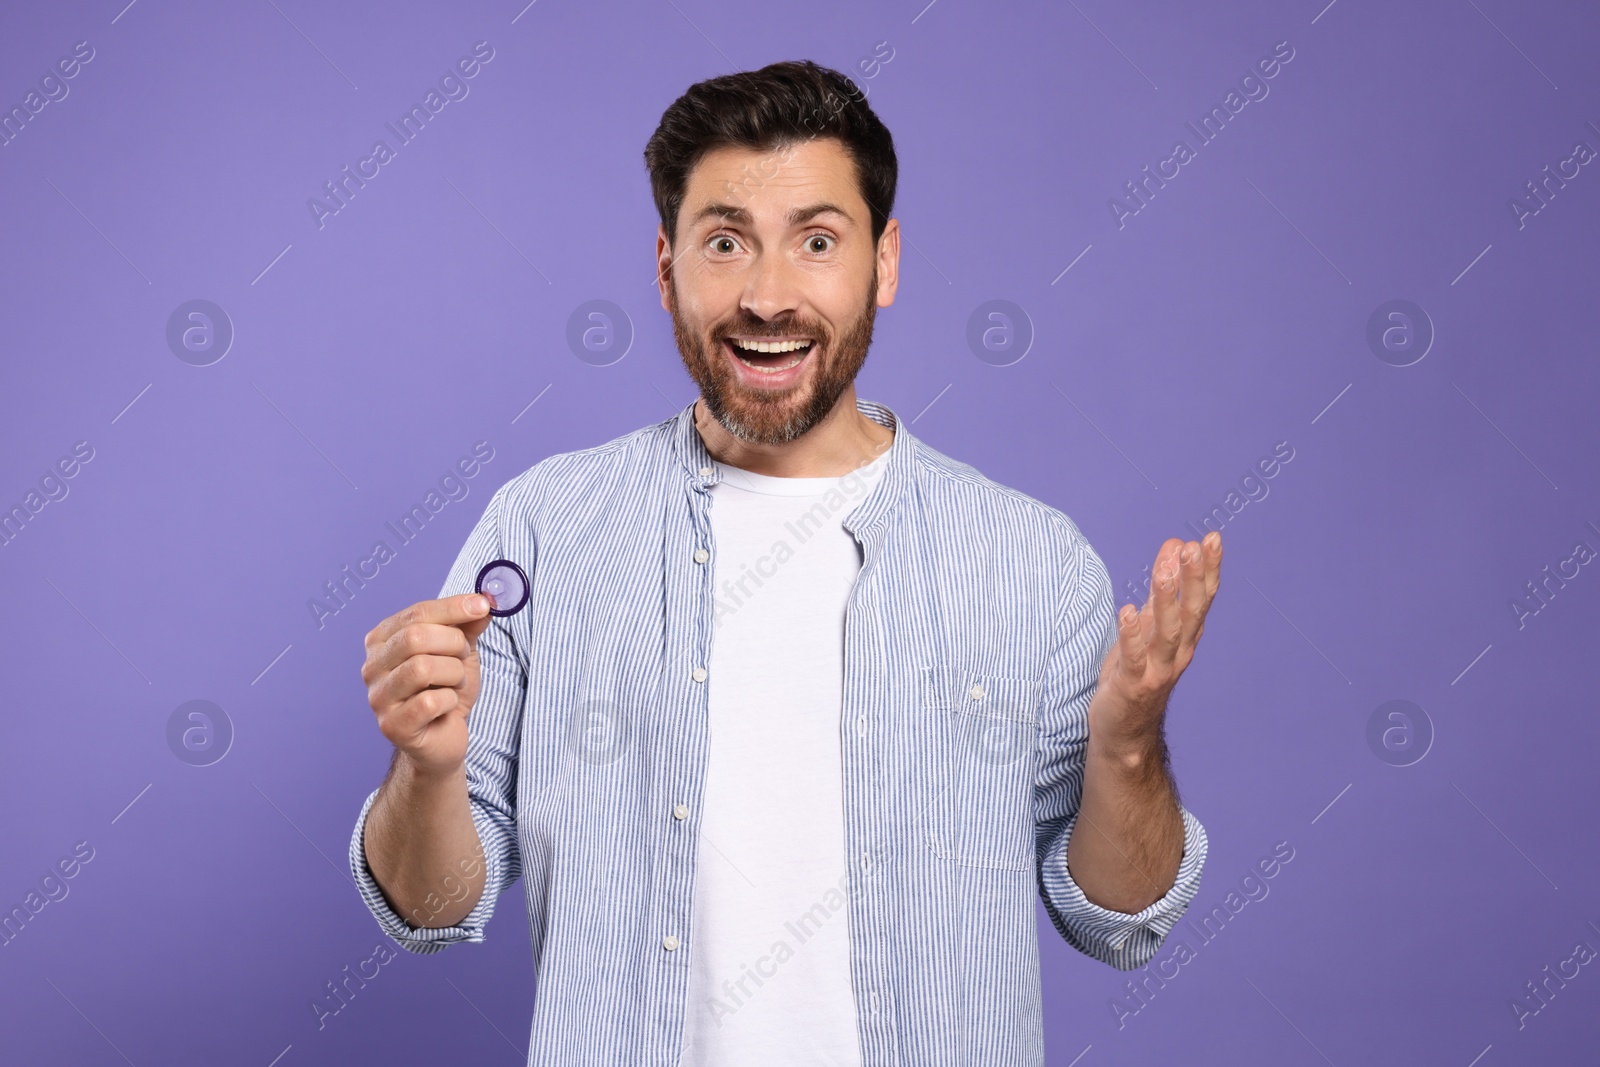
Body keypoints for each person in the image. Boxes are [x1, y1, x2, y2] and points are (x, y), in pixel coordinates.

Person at [350, 59, 1220, 1066]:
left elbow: (1120, 920)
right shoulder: (545, 529)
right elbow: (431, 906)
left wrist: (1123, 748)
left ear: (883, 264)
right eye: (725, 242)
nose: (768, 295)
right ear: (667, 267)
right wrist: (427, 765)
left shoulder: (1026, 560)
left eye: (816, 241)